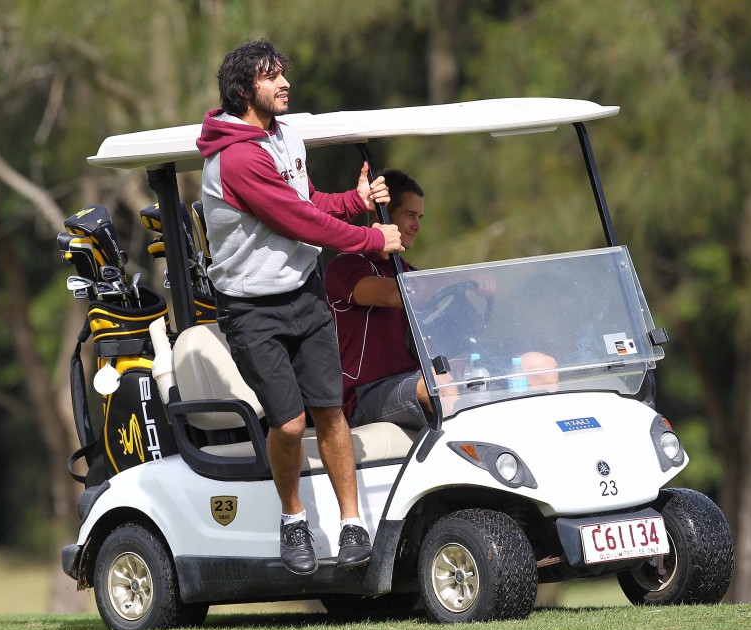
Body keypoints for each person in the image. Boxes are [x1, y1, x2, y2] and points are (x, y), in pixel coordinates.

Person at [196, 39, 402, 576]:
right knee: (289, 425)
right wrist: (372, 239)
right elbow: (297, 222)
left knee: (330, 411)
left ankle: (353, 524)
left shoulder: (286, 136)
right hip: (251, 310)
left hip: (304, 295)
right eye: (271, 77)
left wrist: (355, 202)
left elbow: (308, 202)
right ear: (245, 91)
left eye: (283, 73)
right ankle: (293, 521)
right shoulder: (236, 158)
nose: (285, 83)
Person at [325, 169, 558, 430]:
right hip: (366, 393)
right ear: (383, 214)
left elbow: (440, 328)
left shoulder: (409, 272)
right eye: (410, 215)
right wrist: (462, 278)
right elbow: (395, 294)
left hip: (419, 376)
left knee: (540, 366)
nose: (417, 226)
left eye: (420, 217)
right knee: (441, 385)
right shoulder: (346, 267)